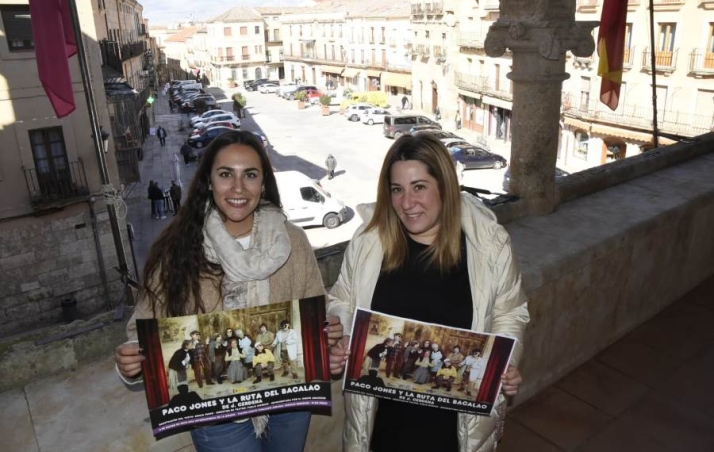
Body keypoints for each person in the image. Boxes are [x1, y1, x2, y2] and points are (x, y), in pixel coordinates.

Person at [114, 130, 346, 452]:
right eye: (226, 174)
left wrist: (328, 334)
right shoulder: (176, 251)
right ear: (208, 181)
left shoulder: (292, 241)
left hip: (290, 400)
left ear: (263, 183)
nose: (238, 188)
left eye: (250, 175)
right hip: (216, 414)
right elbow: (141, 328)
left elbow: (316, 305)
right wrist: (132, 358)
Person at [328, 133, 529, 451]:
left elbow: (510, 311)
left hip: (455, 430)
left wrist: (504, 360)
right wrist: (343, 338)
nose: (407, 203)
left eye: (419, 187)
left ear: (445, 187)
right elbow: (341, 299)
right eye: (397, 190)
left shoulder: (489, 245)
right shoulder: (368, 243)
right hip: (380, 424)